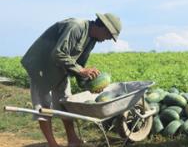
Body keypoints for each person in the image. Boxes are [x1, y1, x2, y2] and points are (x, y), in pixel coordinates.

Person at [21, 13, 122, 147]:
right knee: (44, 107)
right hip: (41, 66)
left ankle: (72, 139)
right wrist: (81, 70)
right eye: (109, 35)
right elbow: (58, 53)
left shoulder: (92, 40)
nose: (108, 39)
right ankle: (52, 144)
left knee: (65, 104)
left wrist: (88, 85)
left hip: (60, 69)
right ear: (103, 27)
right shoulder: (76, 27)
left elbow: (79, 65)